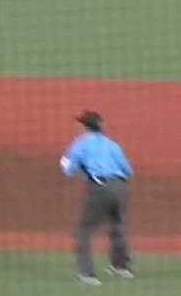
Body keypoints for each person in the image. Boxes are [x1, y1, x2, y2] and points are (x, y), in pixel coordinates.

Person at [61, 110, 135, 284]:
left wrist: (67, 163)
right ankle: (120, 267)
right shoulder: (112, 144)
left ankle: (87, 274)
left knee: (84, 230)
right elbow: (127, 170)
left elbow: (68, 170)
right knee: (116, 225)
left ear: (84, 126)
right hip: (120, 186)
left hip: (99, 186)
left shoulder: (80, 144)